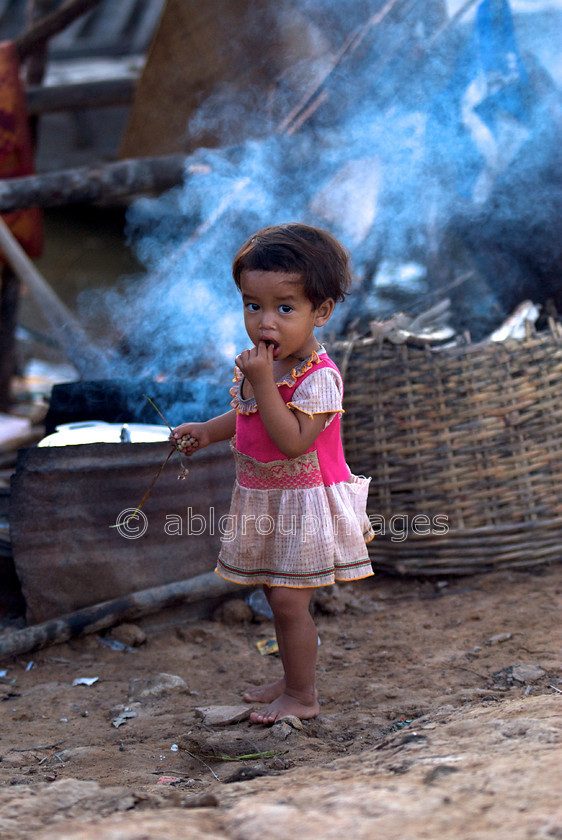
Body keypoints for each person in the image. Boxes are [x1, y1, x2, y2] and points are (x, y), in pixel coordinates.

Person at [171, 223, 374, 724]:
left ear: (320, 312)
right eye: (252, 305)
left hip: (305, 501)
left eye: (285, 308)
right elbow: (247, 418)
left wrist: (261, 380)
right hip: (265, 498)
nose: (266, 322)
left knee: (286, 601)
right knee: (273, 592)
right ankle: (291, 677)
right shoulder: (262, 368)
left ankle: (303, 697)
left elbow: (291, 442)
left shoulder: (318, 377)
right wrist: (207, 431)